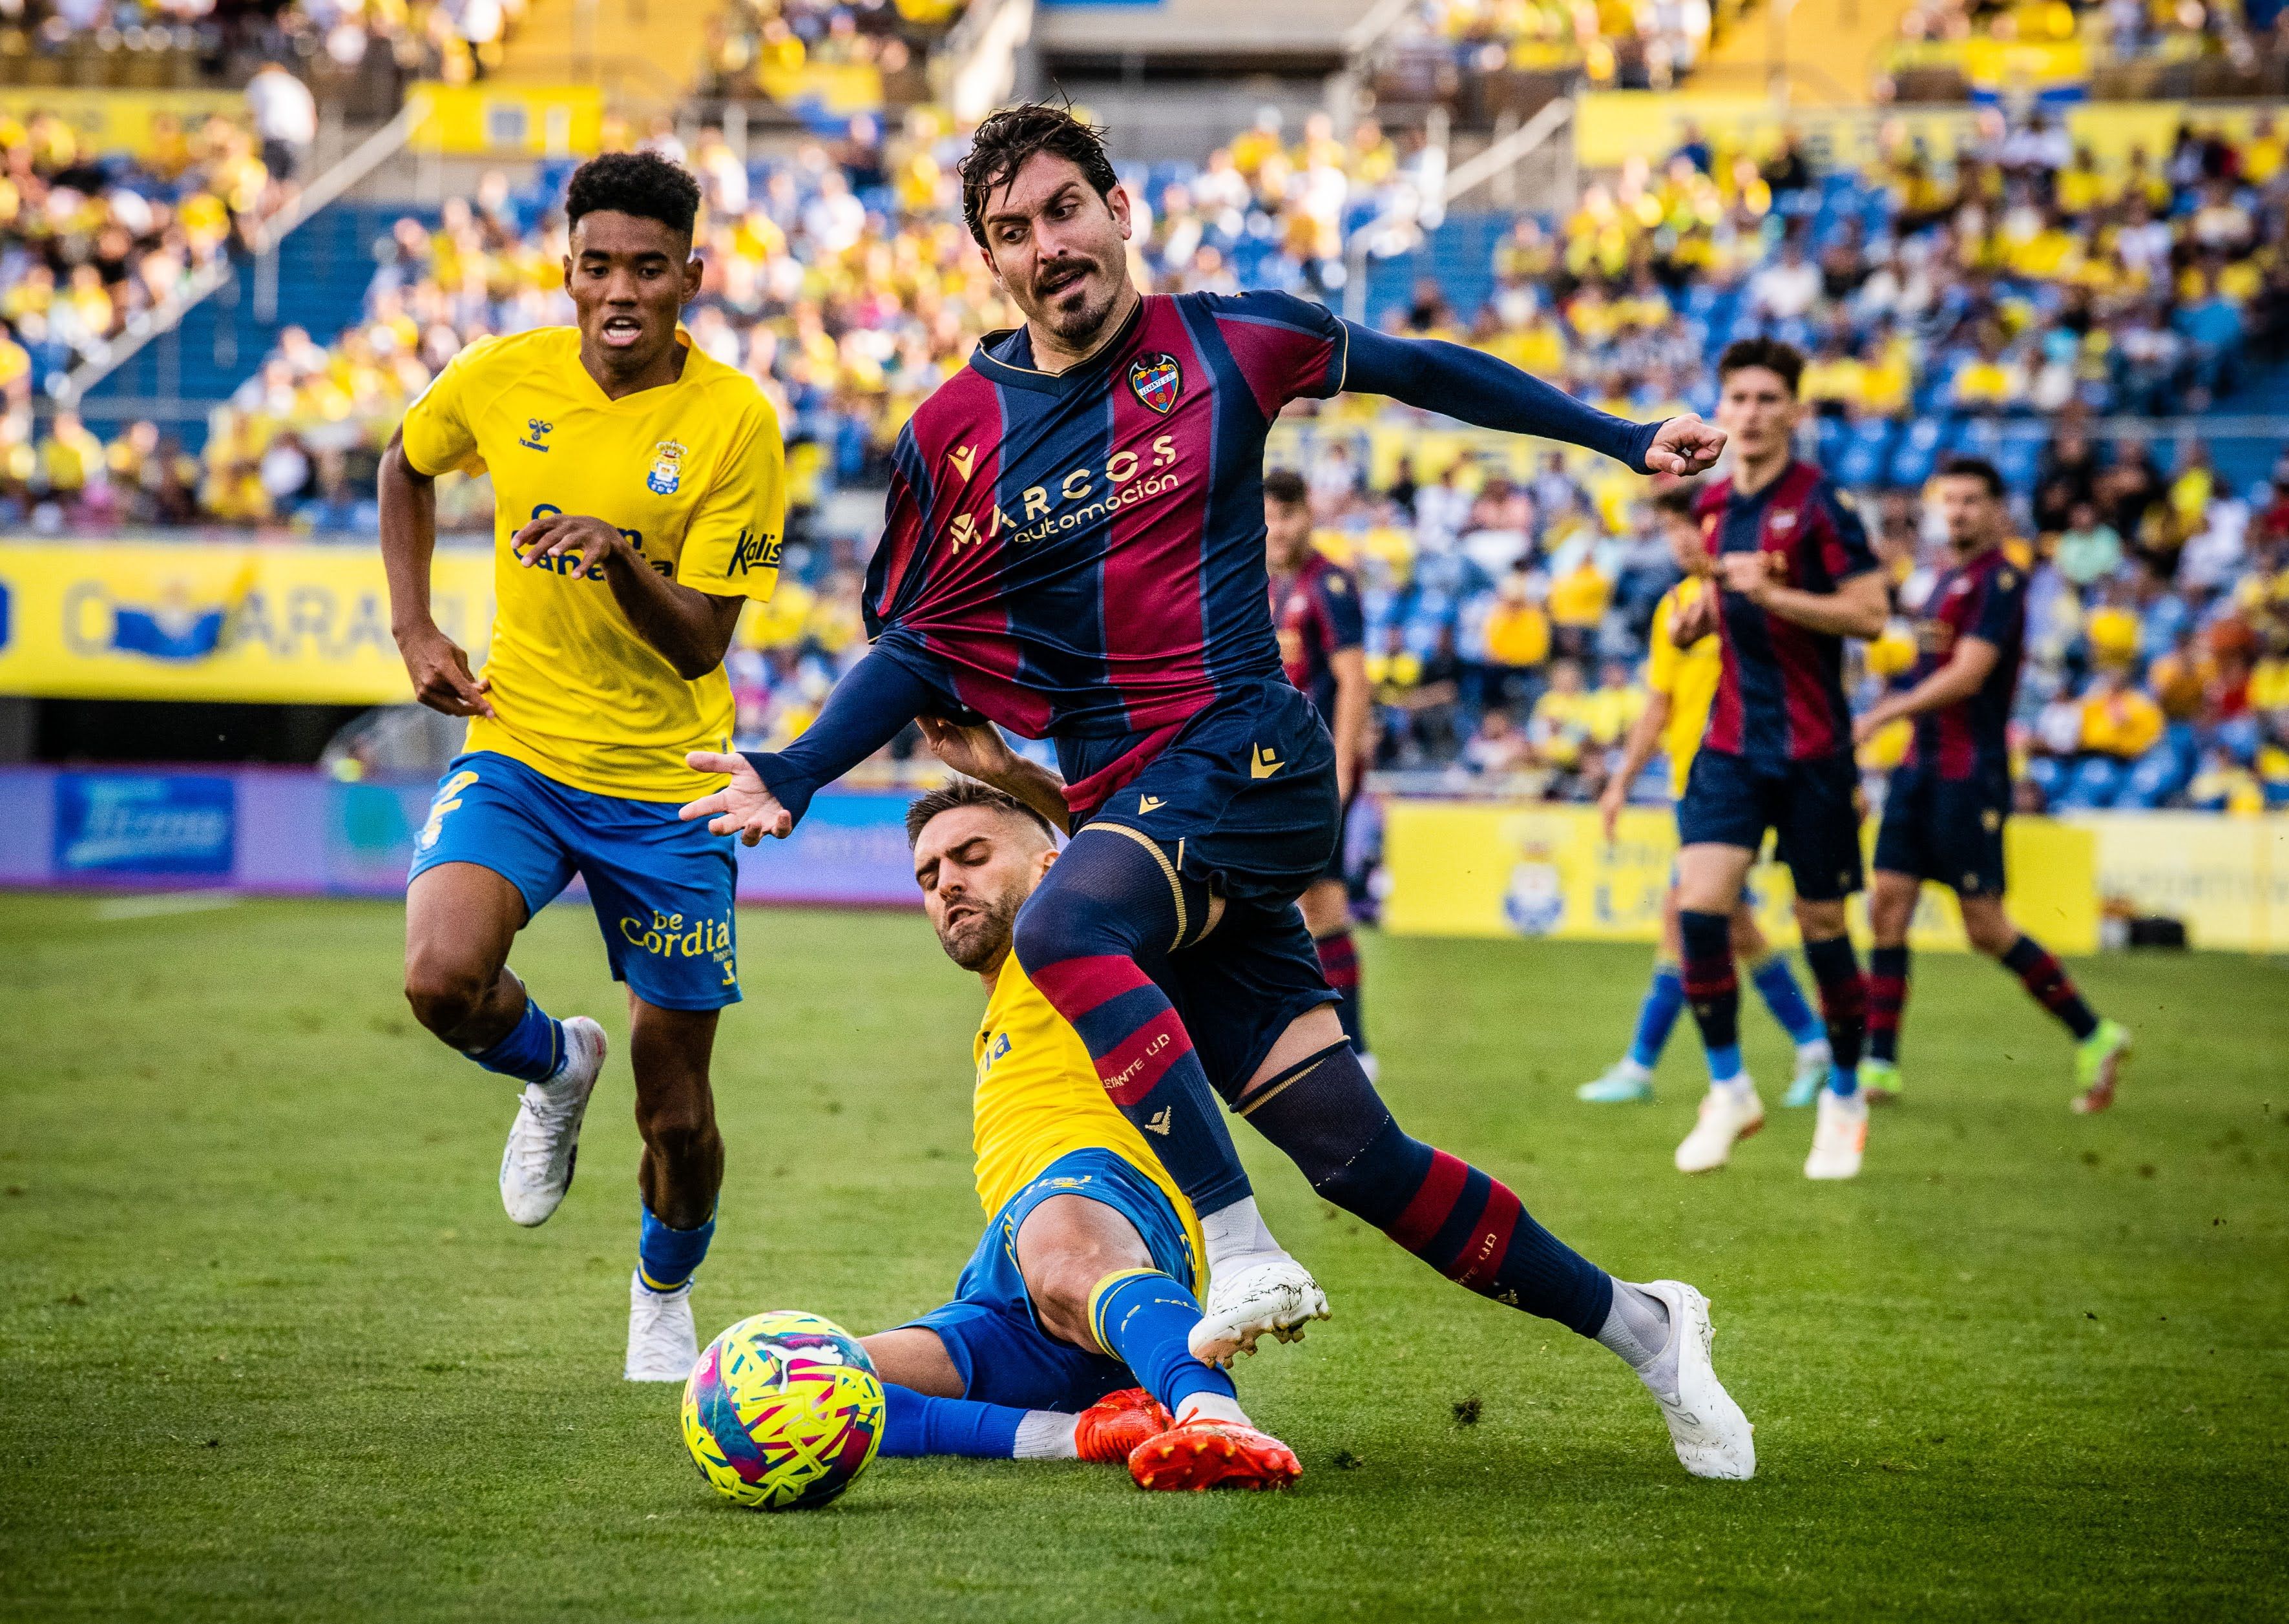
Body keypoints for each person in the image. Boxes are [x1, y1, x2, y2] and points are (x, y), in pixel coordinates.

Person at [682, 103, 1752, 1479]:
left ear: (1117, 211)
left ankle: (1236, 1246)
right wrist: (792, 764)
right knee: (1358, 1156)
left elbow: (1422, 370)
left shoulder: (1232, 340)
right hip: (1140, 813)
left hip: (1247, 752)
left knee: (1061, 925)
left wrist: (1616, 435)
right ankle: (1649, 1327)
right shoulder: (955, 431)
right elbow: (917, 642)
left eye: (1064, 208)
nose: (1046, 244)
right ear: (989, 263)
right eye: (1012, 230)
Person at [379, 152, 787, 1382]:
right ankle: (554, 1063)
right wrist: (414, 626)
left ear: (690, 277)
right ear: (566, 271)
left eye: (647, 268)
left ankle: (663, 1289)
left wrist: (617, 555)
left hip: (669, 786)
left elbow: (701, 641)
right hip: (522, 746)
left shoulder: (735, 421)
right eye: (597, 265)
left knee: (677, 1114)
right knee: (440, 977)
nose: (620, 290)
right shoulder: (501, 376)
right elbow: (405, 461)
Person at [861, 780, 1300, 1490]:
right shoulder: (1000, 1009)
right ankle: (1081, 1433)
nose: (947, 884)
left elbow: (1143, 840)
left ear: (1053, 868)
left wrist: (1007, 768)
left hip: (1105, 1200)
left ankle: (1214, 1415)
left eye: (972, 856)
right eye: (929, 874)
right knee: (799, 1380)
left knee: (1066, 1254)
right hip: (1011, 1287)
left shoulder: (1087, 943)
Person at [1665, 339, 1888, 1182]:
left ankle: (1844, 1096)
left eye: (1767, 399)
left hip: (1813, 751)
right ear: (1721, 409)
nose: (1752, 413)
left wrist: (1773, 594)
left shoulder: (1823, 503)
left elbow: (1870, 615)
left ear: (1794, 410)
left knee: (1821, 926)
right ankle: (1728, 1089)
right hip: (1730, 742)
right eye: (1739, 398)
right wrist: (1698, 619)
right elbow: (1721, 604)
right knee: (1699, 907)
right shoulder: (1713, 503)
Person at [1852, 459, 2133, 1112]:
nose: (1958, 511)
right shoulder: (1938, 579)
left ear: (1997, 510)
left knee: (1983, 927)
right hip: (1918, 767)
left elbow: (1968, 675)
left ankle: (2094, 1034)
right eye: (1949, 500)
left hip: (1968, 773)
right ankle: (1879, 1065)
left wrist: (1885, 713)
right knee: (1886, 904)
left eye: (1971, 500)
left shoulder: (2001, 579)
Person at [1582, 483, 1832, 1107]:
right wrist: (1620, 781)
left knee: (1686, 917)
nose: (1679, 541)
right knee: (1732, 926)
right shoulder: (1674, 606)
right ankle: (1812, 1044)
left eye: (1688, 526)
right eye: (1670, 529)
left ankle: (1643, 1065)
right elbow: (1658, 704)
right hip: (1692, 785)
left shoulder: (1756, 595)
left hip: (1748, 780)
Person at [1263, 466, 1373, 1069]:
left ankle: (1350, 1046)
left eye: (1287, 516)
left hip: (1315, 768)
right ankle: (1339, 1043)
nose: (1277, 530)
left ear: (1307, 515)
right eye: (1267, 518)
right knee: (1310, 902)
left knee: (1320, 902)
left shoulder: (1328, 584)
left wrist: (1342, 767)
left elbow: (1353, 680)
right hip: (1275, 769)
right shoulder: (1263, 584)